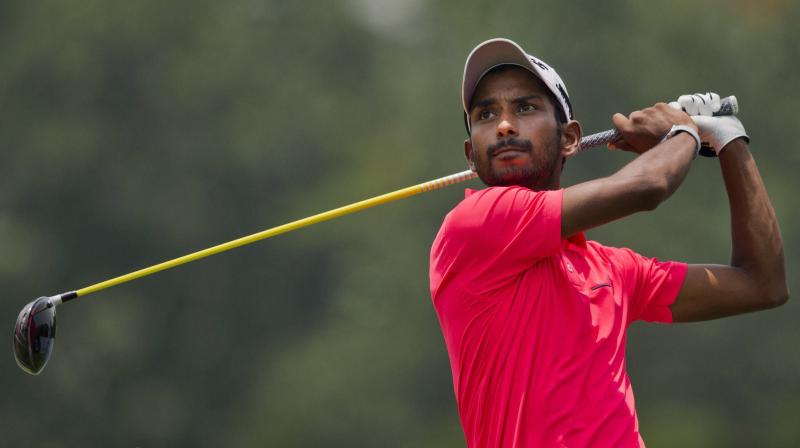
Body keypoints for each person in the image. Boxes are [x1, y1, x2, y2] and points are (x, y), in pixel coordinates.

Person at [429, 38, 788, 448]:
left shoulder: (612, 270)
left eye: (525, 108)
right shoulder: (472, 225)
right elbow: (649, 185)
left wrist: (729, 141)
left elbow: (763, 284)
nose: (504, 125)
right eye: (486, 114)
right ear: (470, 155)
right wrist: (684, 132)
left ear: (570, 139)